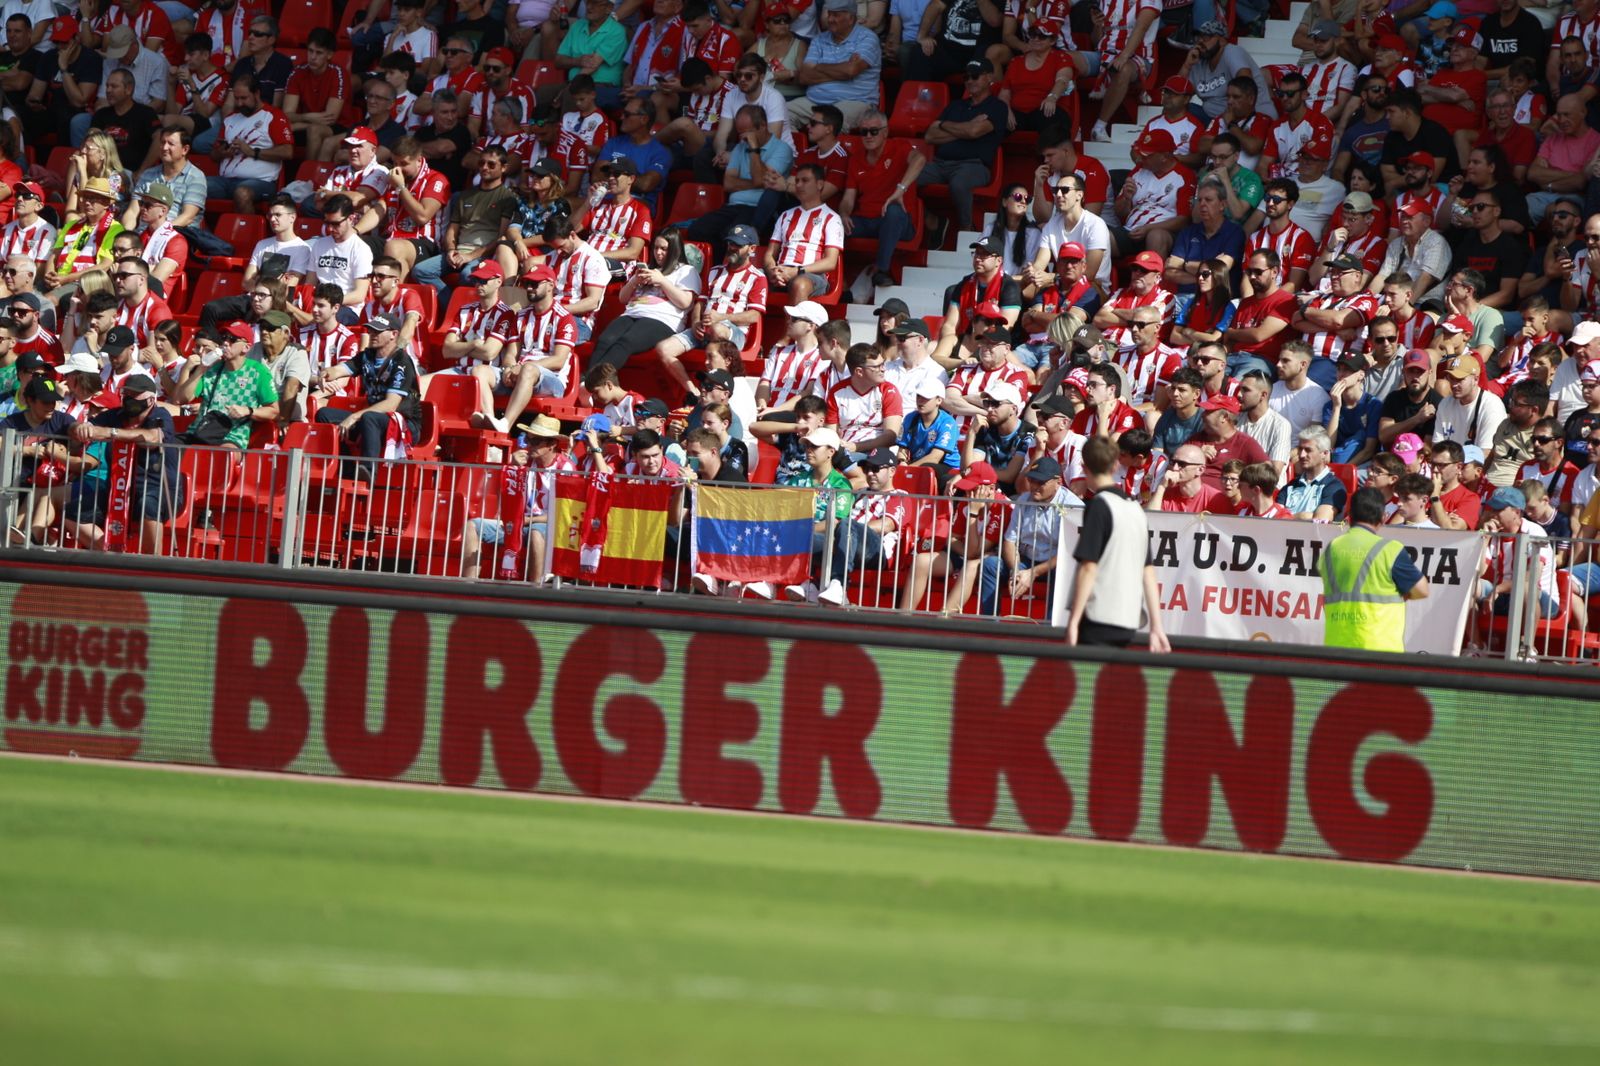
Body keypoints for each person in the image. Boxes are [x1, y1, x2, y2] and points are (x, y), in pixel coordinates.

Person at [1064, 436, 1170, 650]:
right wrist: (1157, 627)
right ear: (1115, 465)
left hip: (1097, 616)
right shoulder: (1135, 509)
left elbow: (1089, 567)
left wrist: (1073, 622)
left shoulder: (1099, 506)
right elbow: (1148, 571)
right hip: (1128, 619)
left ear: (1084, 467)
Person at [1322, 486, 1430, 652]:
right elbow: (1422, 590)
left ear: (1350, 517)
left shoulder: (1332, 548)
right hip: (1379, 652)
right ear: (1383, 517)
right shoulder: (1389, 549)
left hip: (1336, 647)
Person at [314, 312, 423, 466]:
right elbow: (341, 370)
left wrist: (353, 417)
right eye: (371, 330)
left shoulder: (402, 361)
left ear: (394, 334)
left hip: (404, 423)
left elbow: (391, 404)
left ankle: (368, 471)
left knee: (368, 417)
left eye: (377, 331)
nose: (371, 334)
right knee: (324, 414)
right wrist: (327, 373)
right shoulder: (367, 355)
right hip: (372, 419)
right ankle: (346, 467)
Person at [916, 57, 1007, 240]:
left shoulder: (997, 107)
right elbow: (929, 136)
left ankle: (967, 228)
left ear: (989, 77)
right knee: (904, 178)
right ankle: (932, 220)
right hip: (940, 164)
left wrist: (946, 126)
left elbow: (974, 132)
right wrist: (966, 127)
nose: (970, 81)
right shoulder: (955, 105)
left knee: (959, 183)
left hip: (973, 166)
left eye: (975, 76)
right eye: (966, 77)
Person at [585, 229, 700, 374]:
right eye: (656, 248)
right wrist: (634, 281)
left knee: (625, 343)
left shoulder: (686, 271)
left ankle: (591, 382)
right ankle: (590, 383)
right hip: (633, 313)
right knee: (604, 340)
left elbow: (685, 302)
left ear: (674, 250)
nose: (658, 253)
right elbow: (622, 298)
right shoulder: (649, 269)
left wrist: (662, 281)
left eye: (664, 249)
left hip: (662, 320)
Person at [174, 319, 278, 449]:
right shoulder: (212, 369)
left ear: (246, 347)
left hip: (232, 437)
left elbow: (274, 410)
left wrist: (248, 411)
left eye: (232, 339)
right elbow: (181, 399)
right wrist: (201, 368)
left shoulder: (258, 372)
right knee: (164, 447)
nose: (225, 343)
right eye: (224, 337)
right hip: (200, 432)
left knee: (223, 455)